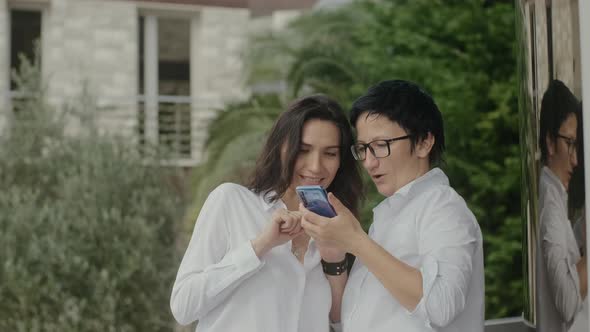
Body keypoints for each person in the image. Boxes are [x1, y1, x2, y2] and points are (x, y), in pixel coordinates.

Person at [301, 80, 485, 332]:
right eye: (364, 149)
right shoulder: (388, 217)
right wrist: (335, 258)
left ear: (423, 142)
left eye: (380, 146)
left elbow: (441, 306)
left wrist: (356, 241)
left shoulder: (443, 206)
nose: (369, 163)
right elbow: (351, 321)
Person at [170, 95, 363, 332]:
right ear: (281, 147)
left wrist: (335, 262)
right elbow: (183, 306)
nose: (315, 166)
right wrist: (261, 245)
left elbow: (344, 322)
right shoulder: (231, 201)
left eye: (330, 154)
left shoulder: (340, 225)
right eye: (303, 150)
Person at [536, 79, 585, 332]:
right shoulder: (551, 206)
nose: (576, 160)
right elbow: (566, 303)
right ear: (550, 142)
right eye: (570, 143)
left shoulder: (555, 197)